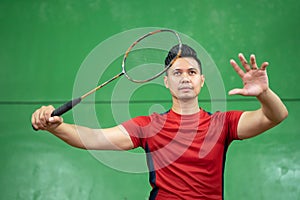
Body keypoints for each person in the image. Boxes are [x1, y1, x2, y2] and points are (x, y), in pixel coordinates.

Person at [31, 44, 288, 200]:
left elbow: (274, 116)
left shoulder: (222, 124)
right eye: (177, 72)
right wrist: (58, 127)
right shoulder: (148, 125)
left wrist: (264, 93)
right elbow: (95, 138)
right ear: (166, 81)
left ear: (201, 80)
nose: (185, 78)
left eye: (192, 72)